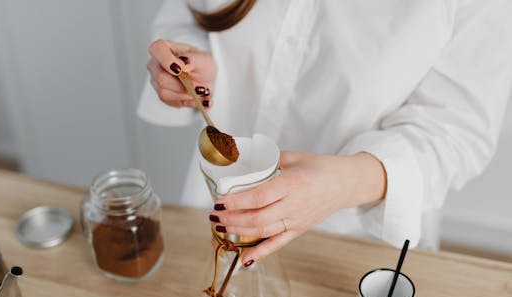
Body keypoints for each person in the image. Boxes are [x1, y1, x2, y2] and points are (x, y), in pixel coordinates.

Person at [138, 0, 512, 267]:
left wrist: (342, 185)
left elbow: (457, 132)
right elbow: (187, 14)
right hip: (219, 211)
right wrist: (192, 64)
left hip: (352, 244)